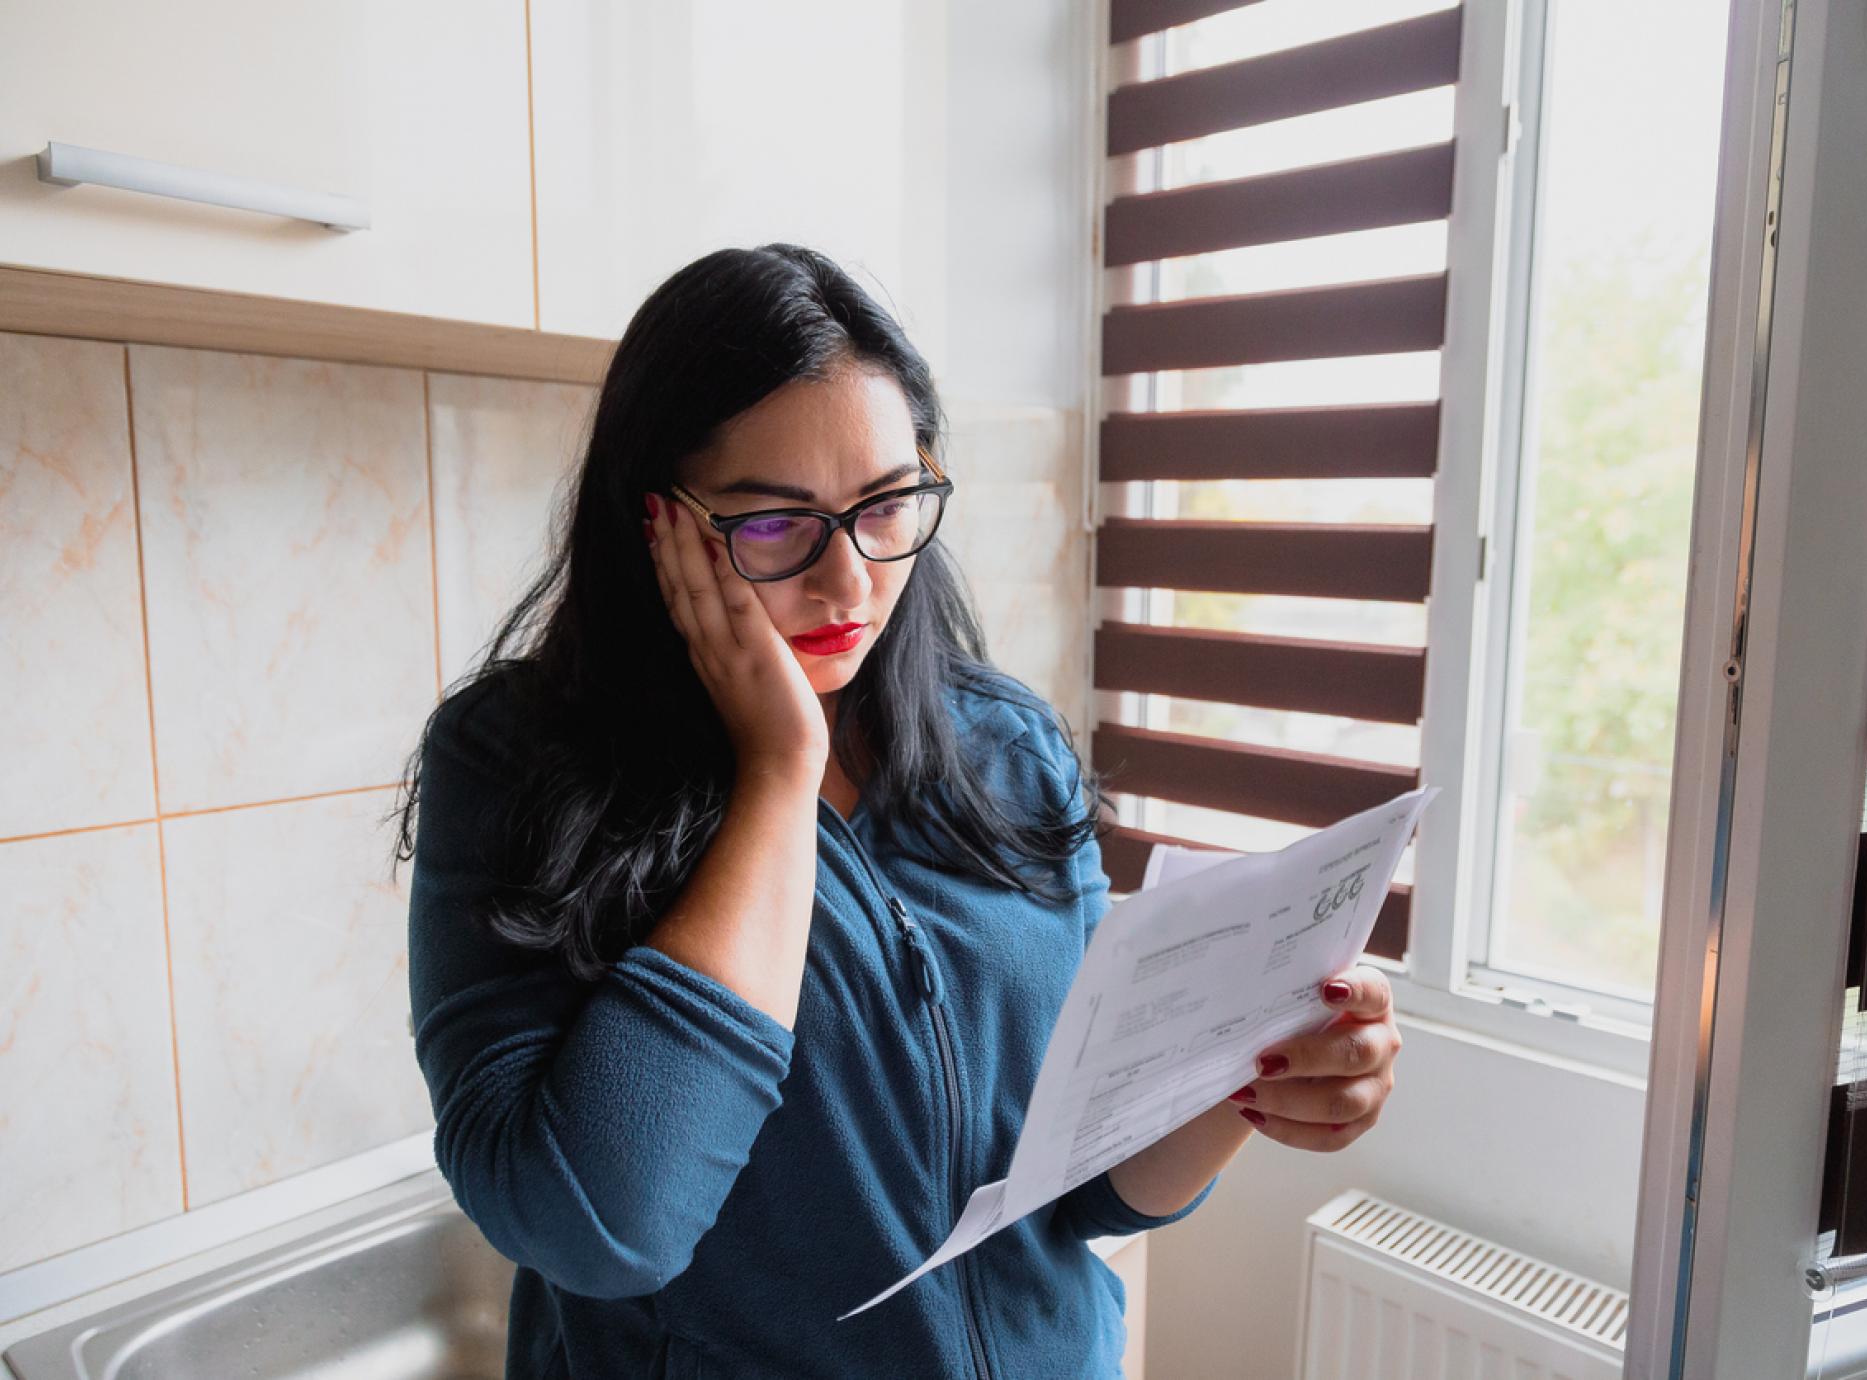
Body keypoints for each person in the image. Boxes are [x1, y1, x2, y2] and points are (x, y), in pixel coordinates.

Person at [390, 243, 1403, 1378]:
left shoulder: (1002, 749)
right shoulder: (517, 766)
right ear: (657, 525)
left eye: (884, 506)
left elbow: (1076, 1196)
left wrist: (1255, 1084)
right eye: (774, 524)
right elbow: (604, 1225)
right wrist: (778, 770)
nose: (849, 582)